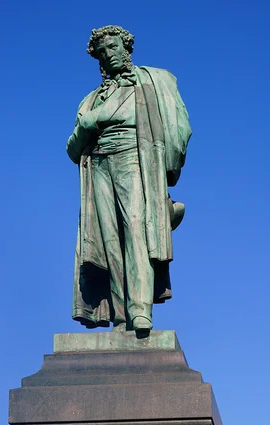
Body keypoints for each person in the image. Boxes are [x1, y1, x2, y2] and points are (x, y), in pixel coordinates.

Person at [67, 25, 191, 333]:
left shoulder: (153, 81)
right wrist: (89, 125)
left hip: (134, 158)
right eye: (103, 51)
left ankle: (140, 311)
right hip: (98, 164)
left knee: (136, 228)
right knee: (109, 240)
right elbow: (72, 148)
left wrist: (165, 170)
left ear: (126, 48)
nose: (109, 54)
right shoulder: (91, 100)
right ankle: (121, 315)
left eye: (113, 47)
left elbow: (181, 126)